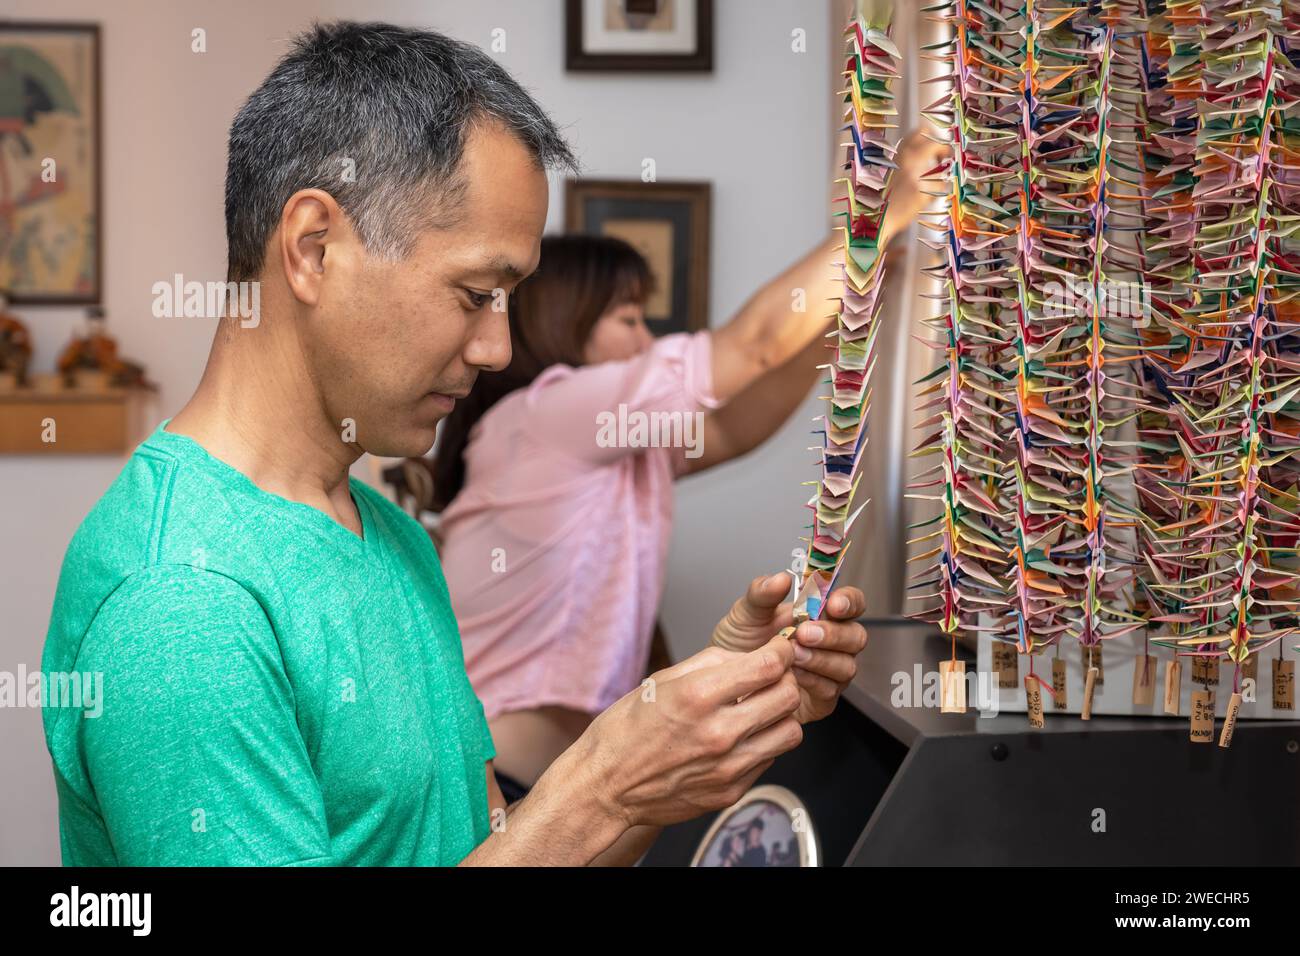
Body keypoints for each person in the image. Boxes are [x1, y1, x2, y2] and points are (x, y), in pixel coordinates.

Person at [40, 21, 868, 867]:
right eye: (475, 292)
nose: (498, 350)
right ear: (314, 249)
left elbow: (501, 850)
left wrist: (698, 724)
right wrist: (604, 781)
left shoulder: (385, 534)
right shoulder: (184, 602)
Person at [424, 137, 942, 800]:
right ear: (563, 321)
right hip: (501, 781)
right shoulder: (549, 412)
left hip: (550, 779)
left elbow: (736, 425)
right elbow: (752, 348)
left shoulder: (607, 441)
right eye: (630, 319)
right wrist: (881, 212)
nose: (647, 341)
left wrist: (855, 300)